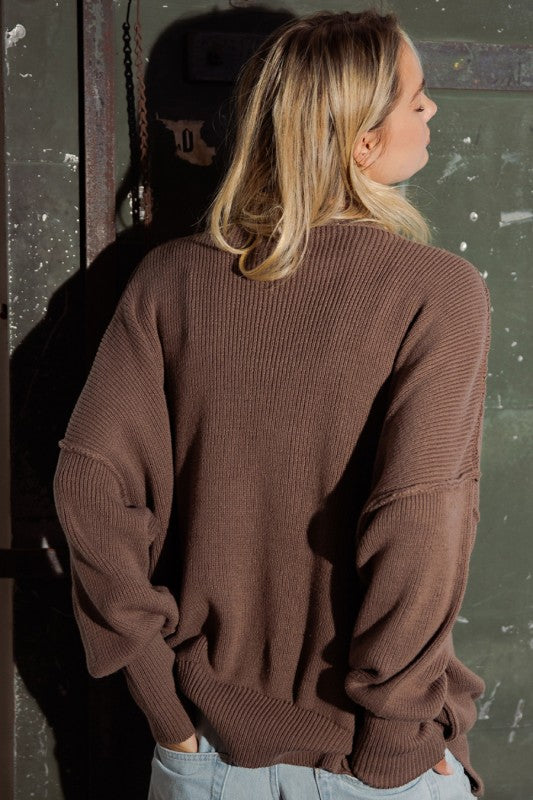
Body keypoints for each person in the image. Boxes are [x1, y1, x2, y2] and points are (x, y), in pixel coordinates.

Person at [53, 8, 491, 800]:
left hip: (207, 753)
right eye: (414, 95)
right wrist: (397, 739)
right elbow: (419, 524)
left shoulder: (168, 279)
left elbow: (90, 487)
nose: (430, 107)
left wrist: (167, 713)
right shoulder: (436, 291)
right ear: (362, 142)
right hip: (371, 761)